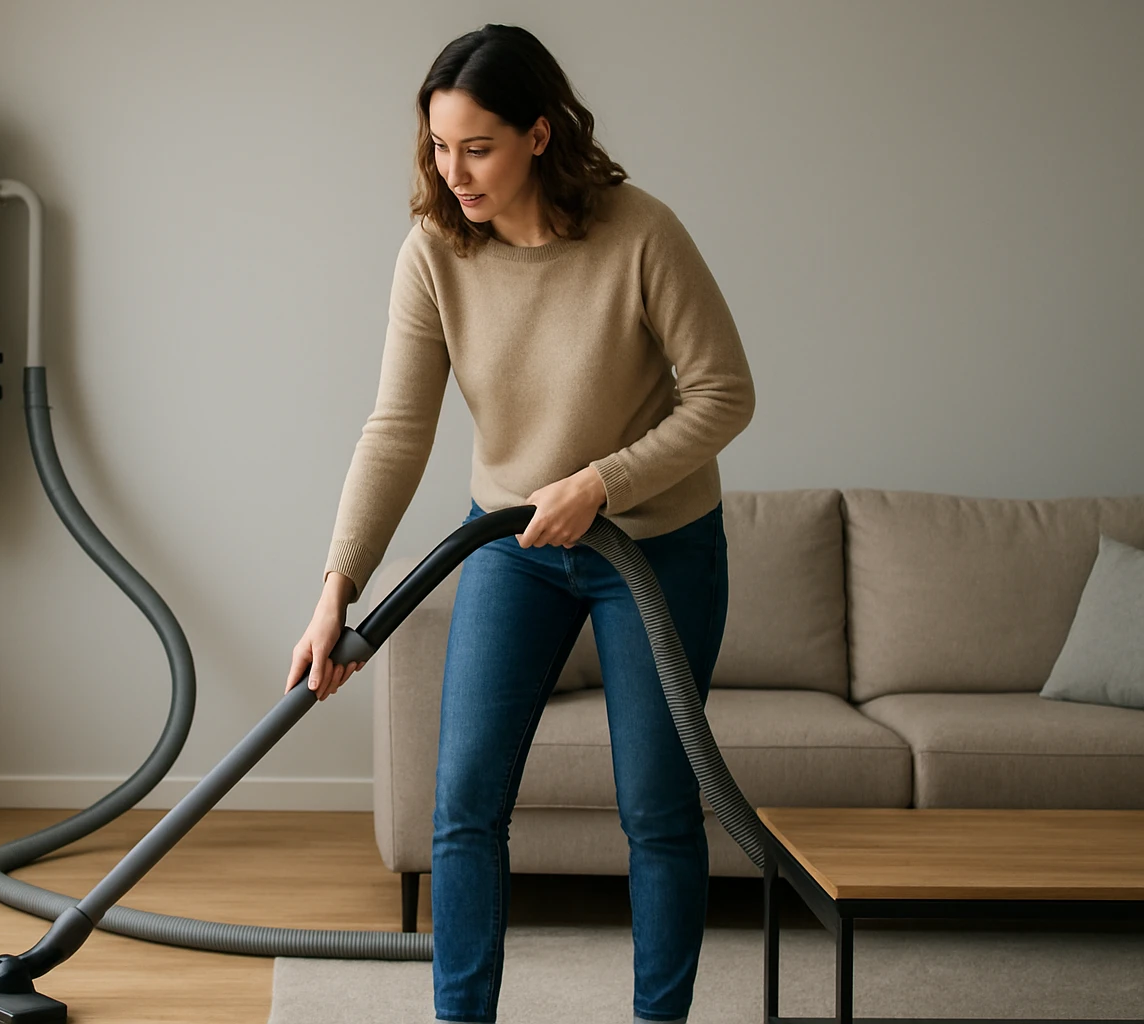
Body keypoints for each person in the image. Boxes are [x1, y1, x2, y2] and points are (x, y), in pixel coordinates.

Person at [284, 23, 755, 1024]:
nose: (452, 172)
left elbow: (724, 393)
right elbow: (398, 428)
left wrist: (603, 481)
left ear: (540, 136)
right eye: (438, 146)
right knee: (463, 806)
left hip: (655, 548)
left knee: (660, 812)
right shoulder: (435, 251)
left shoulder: (640, 234)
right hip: (512, 546)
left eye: (478, 147)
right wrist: (338, 589)